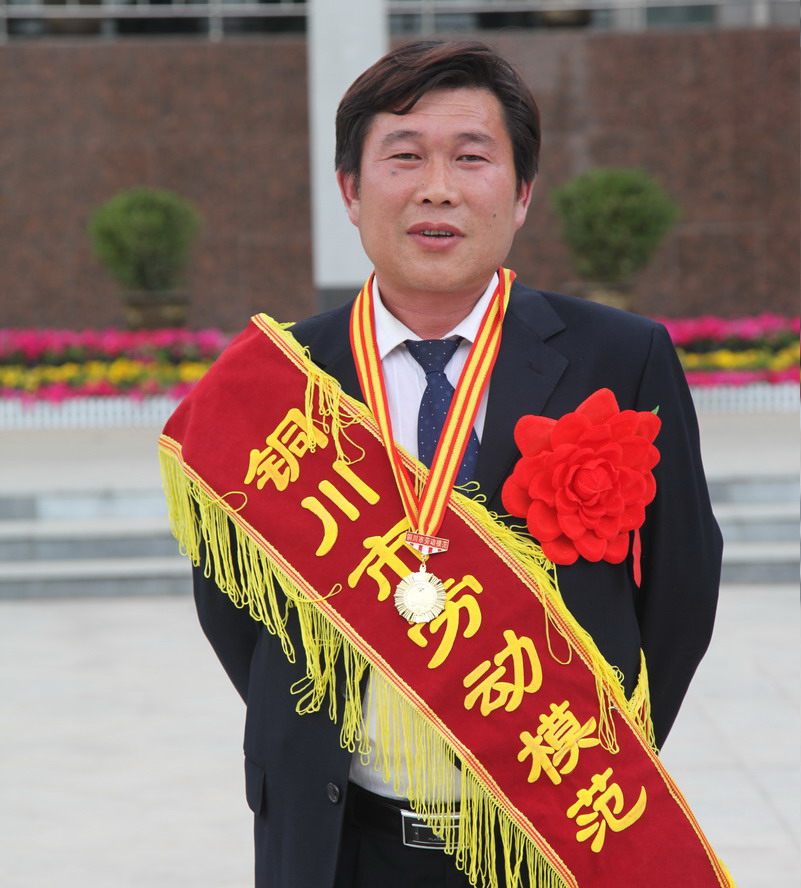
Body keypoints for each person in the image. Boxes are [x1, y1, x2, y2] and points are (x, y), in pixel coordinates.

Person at [177, 40, 723, 888]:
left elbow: (680, 590)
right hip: (336, 839)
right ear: (349, 190)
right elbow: (232, 600)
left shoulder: (620, 359)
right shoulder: (280, 382)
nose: (437, 188)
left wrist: (595, 760)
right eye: (404, 157)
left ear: (522, 192)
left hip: (550, 832)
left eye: (471, 158)